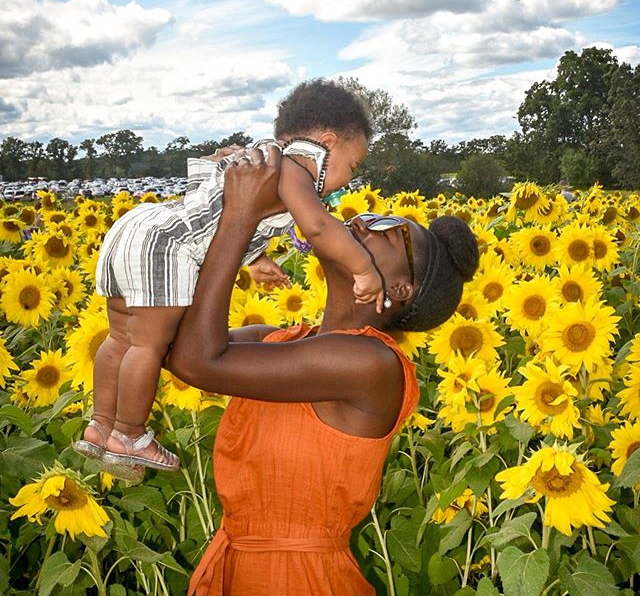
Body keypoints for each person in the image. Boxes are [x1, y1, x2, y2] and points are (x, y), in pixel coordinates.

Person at [164, 145, 479, 595]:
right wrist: (215, 197)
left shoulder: (370, 364)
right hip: (234, 569)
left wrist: (241, 215)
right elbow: (175, 345)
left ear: (400, 287)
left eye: (389, 228)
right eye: (366, 214)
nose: (362, 221)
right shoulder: (280, 339)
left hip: (299, 581)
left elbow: (198, 360)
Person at [73, 79, 382, 477]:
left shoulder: (257, 158)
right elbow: (319, 227)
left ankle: (100, 426)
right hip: (168, 248)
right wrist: (363, 268)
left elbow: (217, 204)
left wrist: (256, 259)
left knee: (120, 338)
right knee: (148, 345)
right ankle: (129, 434)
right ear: (327, 142)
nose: (347, 181)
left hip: (137, 228)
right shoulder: (294, 169)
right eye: (351, 167)